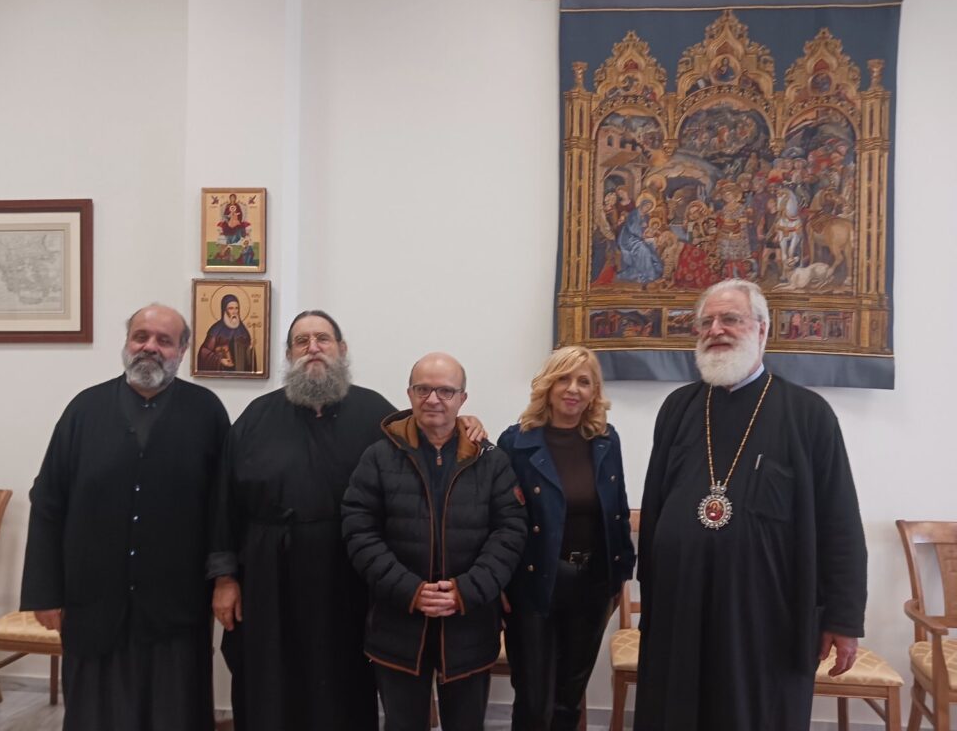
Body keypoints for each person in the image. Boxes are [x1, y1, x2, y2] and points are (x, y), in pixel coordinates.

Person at [208, 314, 487, 731]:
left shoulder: (376, 414)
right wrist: (225, 578)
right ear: (289, 354)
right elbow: (224, 501)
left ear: (342, 349)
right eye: (302, 341)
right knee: (268, 680)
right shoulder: (255, 417)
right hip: (269, 577)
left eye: (323, 338)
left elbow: (433, 434)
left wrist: (466, 424)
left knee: (344, 681)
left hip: (349, 575)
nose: (313, 348)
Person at [633, 279, 867, 731]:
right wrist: (651, 598)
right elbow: (656, 504)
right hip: (680, 610)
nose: (716, 330)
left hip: (766, 619)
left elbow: (839, 521)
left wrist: (843, 618)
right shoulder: (677, 408)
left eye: (730, 319)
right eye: (706, 322)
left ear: (762, 329)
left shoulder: (808, 414)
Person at [20, 304, 229, 731]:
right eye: (141, 336)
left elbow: (223, 506)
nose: (149, 347)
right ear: (127, 342)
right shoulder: (84, 410)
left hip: (176, 605)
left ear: (182, 350)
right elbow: (47, 502)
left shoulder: (207, 412)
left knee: (175, 713)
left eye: (164, 340)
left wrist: (224, 578)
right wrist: (44, 591)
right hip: (92, 601)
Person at [341, 353, 528, 731]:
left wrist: (465, 591)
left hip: (469, 624)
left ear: (462, 398)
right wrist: (410, 590)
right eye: (423, 389)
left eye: (445, 391)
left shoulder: (491, 461)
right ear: (409, 394)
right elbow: (359, 530)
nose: (433, 399)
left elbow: (510, 532)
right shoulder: (378, 457)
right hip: (397, 623)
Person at [498, 346, 635, 731]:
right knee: (534, 699)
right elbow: (500, 519)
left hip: (592, 583)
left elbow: (617, 507)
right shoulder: (517, 442)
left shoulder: (606, 440)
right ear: (548, 385)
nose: (573, 389)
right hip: (534, 583)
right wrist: (499, 582)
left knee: (569, 699)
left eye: (584, 381)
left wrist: (619, 574)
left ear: (594, 392)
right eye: (564, 378)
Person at [197, 293, 255, 372]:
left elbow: (247, 356)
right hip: (222, 370)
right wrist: (220, 361)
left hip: (239, 371)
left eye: (236, 308)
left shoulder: (243, 330)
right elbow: (204, 352)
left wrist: (250, 348)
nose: (234, 312)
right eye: (231, 308)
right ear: (224, 310)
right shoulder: (216, 329)